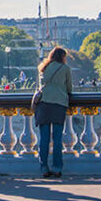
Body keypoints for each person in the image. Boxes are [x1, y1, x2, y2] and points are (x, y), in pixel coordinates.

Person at [35, 47, 72, 178]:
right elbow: (69, 87)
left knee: (44, 139)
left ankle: (44, 168)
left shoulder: (44, 67)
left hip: (44, 105)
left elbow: (40, 86)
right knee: (57, 139)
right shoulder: (65, 68)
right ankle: (57, 168)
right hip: (59, 105)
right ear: (62, 57)